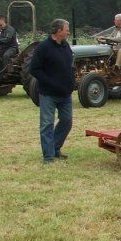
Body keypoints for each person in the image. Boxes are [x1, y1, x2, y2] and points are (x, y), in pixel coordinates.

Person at [29, 19, 75, 164]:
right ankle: (48, 156)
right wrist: (51, 82)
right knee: (47, 124)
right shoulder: (43, 47)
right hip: (48, 93)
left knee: (67, 121)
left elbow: (69, 65)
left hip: (65, 93)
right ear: (58, 31)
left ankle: (55, 148)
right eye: (66, 29)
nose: (68, 32)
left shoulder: (66, 46)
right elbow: (34, 69)